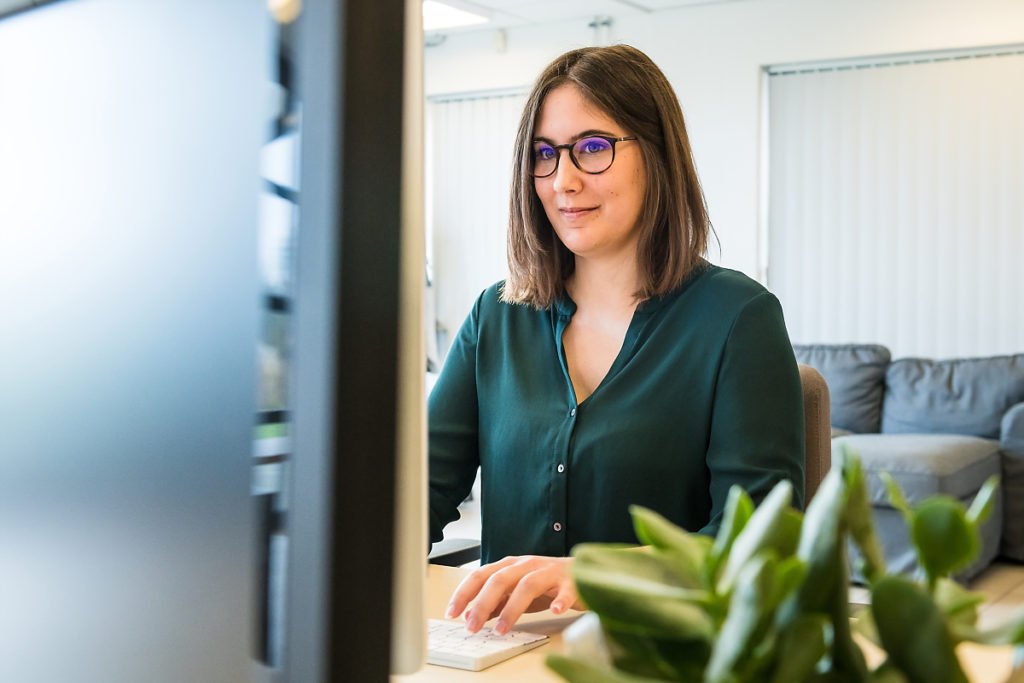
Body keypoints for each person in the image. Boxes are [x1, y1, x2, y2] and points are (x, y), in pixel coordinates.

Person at [427, 44, 805, 636]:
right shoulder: (496, 316)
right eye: (544, 155)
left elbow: (756, 542)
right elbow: (416, 492)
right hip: (504, 654)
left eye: (594, 148)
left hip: (660, 653)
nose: (563, 181)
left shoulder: (738, 318)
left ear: (657, 154)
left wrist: (595, 575)